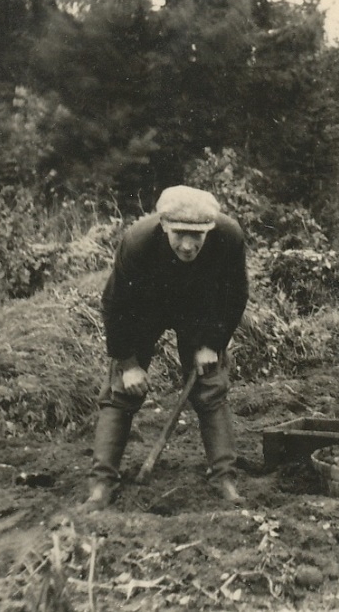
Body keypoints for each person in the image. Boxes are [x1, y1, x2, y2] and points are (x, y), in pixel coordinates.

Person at [81, 185, 249, 511]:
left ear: (210, 230)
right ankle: (102, 482)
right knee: (120, 392)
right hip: (145, 310)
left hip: (200, 310)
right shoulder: (137, 242)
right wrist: (128, 364)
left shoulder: (229, 237)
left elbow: (235, 295)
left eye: (196, 236)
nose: (187, 246)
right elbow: (115, 304)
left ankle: (224, 477)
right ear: (164, 226)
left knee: (211, 386)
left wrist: (213, 344)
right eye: (179, 235)